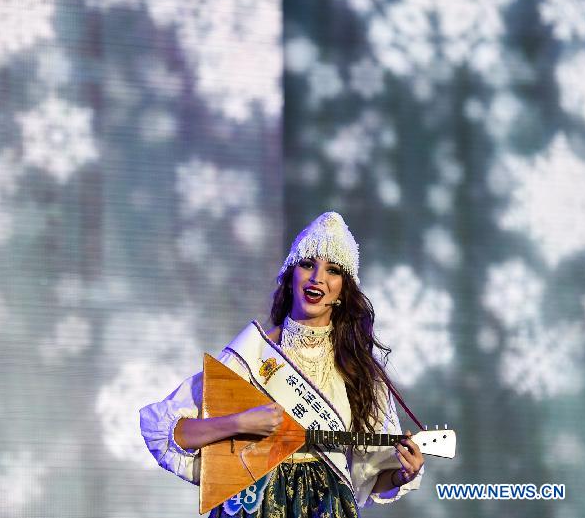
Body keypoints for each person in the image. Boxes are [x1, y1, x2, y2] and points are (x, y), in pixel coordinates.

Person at [140, 212, 424, 518]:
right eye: (307, 264)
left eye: (332, 270)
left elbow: (368, 475)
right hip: (253, 504)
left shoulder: (358, 370)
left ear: (344, 290)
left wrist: (400, 475)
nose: (317, 278)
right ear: (290, 275)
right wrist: (240, 424)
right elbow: (171, 433)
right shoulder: (252, 354)